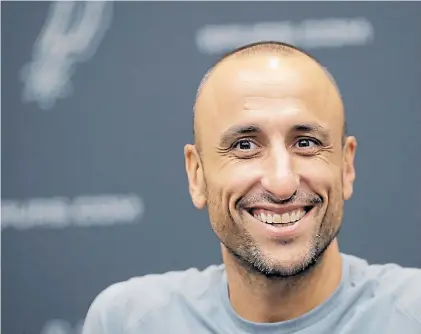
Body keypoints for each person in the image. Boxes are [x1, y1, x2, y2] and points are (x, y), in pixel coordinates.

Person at [82, 41, 421, 334]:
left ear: (346, 167)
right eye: (245, 146)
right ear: (196, 175)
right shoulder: (127, 322)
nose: (282, 182)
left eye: (305, 142)